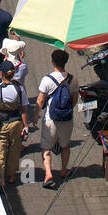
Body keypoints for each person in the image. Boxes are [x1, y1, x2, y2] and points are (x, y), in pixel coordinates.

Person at [0, 61, 29, 188]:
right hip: (16, 123)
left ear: (1, 74)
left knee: (0, 150)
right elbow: (24, 109)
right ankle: (11, 175)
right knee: (14, 149)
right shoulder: (19, 88)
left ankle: (1, 179)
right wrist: (26, 126)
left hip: (0, 123)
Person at [36, 48, 74, 188]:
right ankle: (64, 171)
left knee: (46, 147)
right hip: (67, 118)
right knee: (65, 145)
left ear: (52, 61)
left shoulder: (47, 80)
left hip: (50, 118)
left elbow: (40, 101)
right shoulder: (72, 80)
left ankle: (48, 174)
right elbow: (74, 100)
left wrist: (35, 117)